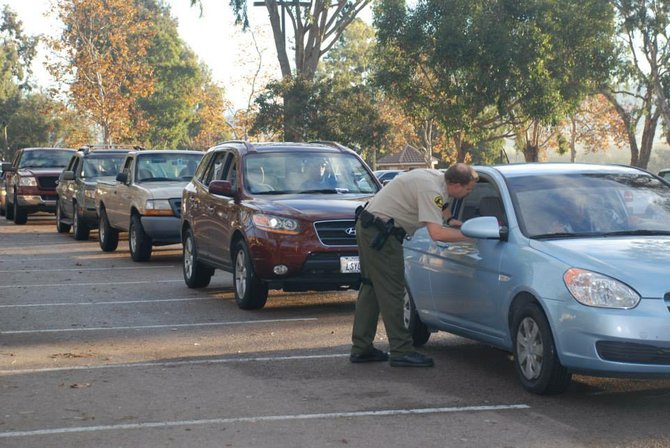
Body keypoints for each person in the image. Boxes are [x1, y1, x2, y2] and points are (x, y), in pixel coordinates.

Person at [350, 163, 478, 367]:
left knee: (371, 286)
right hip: (382, 236)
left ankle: (361, 348)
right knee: (392, 291)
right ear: (455, 184)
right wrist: (470, 236)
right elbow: (437, 234)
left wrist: (451, 219)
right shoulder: (431, 189)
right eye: (468, 189)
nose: (469, 193)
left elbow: (440, 203)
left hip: (369, 226)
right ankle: (401, 351)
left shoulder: (436, 178)